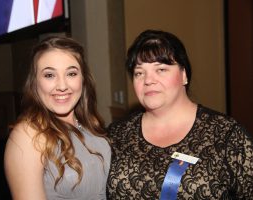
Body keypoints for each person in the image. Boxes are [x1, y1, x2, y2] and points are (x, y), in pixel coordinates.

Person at [106, 29, 253, 199]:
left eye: (161, 69)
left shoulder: (226, 135)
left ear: (184, 75)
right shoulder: (117, 134)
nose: (148, 80)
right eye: (139, 73)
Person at [4, 36, 111, 200]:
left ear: (83, 79)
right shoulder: (28, 135)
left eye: (71, 73)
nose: (62, 86)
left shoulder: (90, 124)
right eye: (49, 75)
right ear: (35, 83)